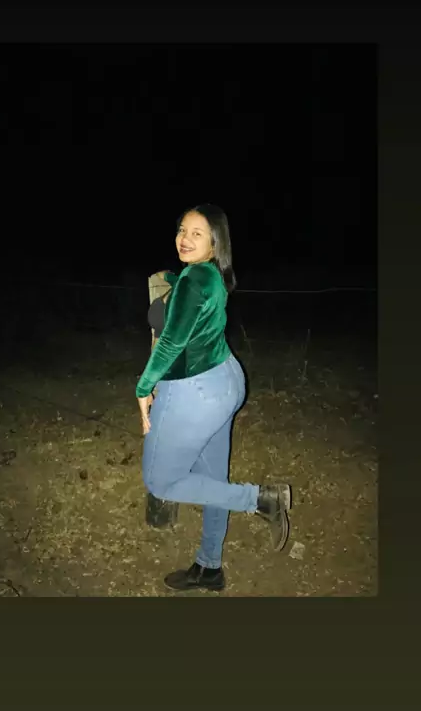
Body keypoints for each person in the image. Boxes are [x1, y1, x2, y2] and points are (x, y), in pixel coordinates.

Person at [136, 203, 292, 592]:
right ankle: (210, 567)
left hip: (193, 391)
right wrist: (176, 279)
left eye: (197, 233)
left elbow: (171, 342)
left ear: (215, 242)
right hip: (225, 381)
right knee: (212, 480)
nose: (184, 239)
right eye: (181, 230)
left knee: (160, 480)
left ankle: (261, 499)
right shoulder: (211, 275)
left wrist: (144, 387)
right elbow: (191, 301)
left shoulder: (194, 280)